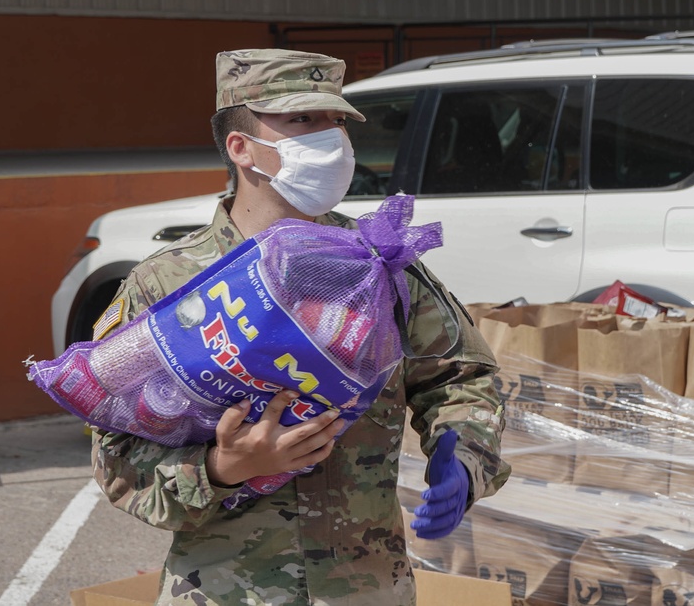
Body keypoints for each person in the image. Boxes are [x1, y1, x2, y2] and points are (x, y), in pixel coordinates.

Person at [90, 48, 510, 605]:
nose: (332, 138)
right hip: (226, 592)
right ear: (242, 147)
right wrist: (223, 467)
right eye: (304, 121)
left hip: (367, 589)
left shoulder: (377, 265)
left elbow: (461, 379)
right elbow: (118, 453)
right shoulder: (166, 284)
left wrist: (462, 459)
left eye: (337, 120)